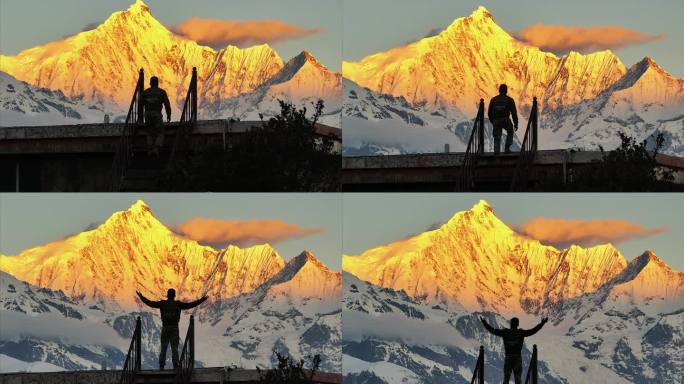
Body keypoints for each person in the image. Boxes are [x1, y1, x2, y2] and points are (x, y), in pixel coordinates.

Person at [136, 289, 207, 370]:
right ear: (174, 296)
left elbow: (150, 303)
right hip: (174, 328)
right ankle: (175, 365)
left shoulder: (162, 303)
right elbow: (190, 305)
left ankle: (161, 366)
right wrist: (201, 300)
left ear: (167, 295)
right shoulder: (178, 304)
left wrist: (141, 297)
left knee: (163, 348)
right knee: (175, 348)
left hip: (165, 328)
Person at [480, 316, 548, 384]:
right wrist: (542, 323)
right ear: (517, 324)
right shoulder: (521, 333)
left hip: (508, 358)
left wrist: (484, 322)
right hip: (517, 358)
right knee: (518, 379)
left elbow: (492, 330)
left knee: (506, 379)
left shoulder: (505, 332)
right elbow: (533, 331)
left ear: (510, 324)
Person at [141, 76, 171, 157]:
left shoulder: (145, 92)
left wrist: (140, 116)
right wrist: (169, 115)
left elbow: (140, 105)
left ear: (150, 83)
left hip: (147, 114)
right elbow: (167, 105)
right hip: (156, 113)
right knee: (160, 131)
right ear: (157, 83)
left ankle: (150, 149)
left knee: (149, 132)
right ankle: (156, 148)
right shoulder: (161, 92)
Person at [487, 84, 518, 154]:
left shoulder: (493, 100)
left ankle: (496, 151)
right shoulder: (509, 100)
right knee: (510, 131)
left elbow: (489, 113)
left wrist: (493, 121)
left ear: (499, 90)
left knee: (497, 135)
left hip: (496, 120)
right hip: (505, 119)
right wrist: (516, 123)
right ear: (506, 91)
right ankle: (507, 149)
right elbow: (514, 113)